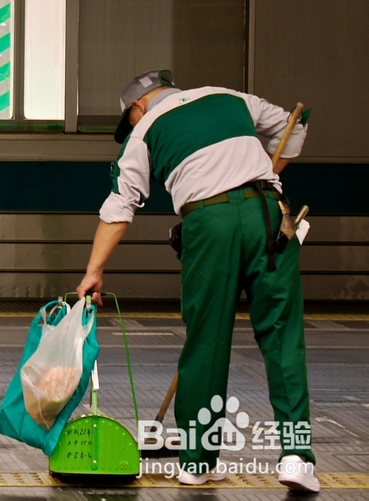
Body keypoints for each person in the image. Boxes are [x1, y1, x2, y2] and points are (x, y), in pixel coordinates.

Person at [75, 70, 319, 492]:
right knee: (282, 338)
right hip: (268, 214)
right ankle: (297, 458)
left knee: (206, 344)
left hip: (208, 223)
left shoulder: (145, 130)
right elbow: (294, 125)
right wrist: (267, 173)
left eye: (128, 119)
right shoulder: (230, 97)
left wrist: (94, 270)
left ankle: (197, 461)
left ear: (138, 106)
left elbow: (120, 205)